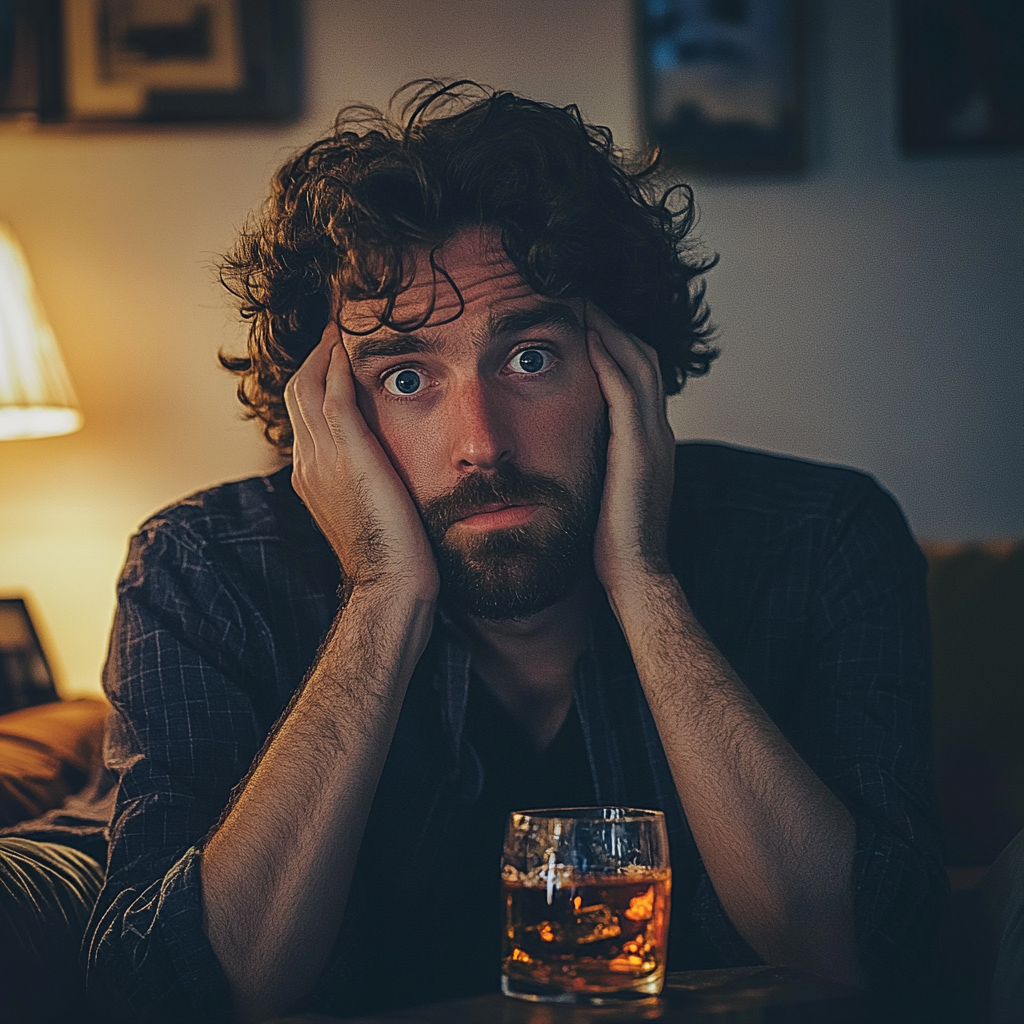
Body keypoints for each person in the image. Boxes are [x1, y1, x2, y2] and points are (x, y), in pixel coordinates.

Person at [71, 82, 944, 1022]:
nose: (481, 442)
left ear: (627, 364)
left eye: (529, 357)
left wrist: (645, 584)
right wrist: (381, 594)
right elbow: (176, 996)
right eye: (407, 377)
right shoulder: (204, 571)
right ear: (324, 417)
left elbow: (867, 951)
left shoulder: (822, 538)